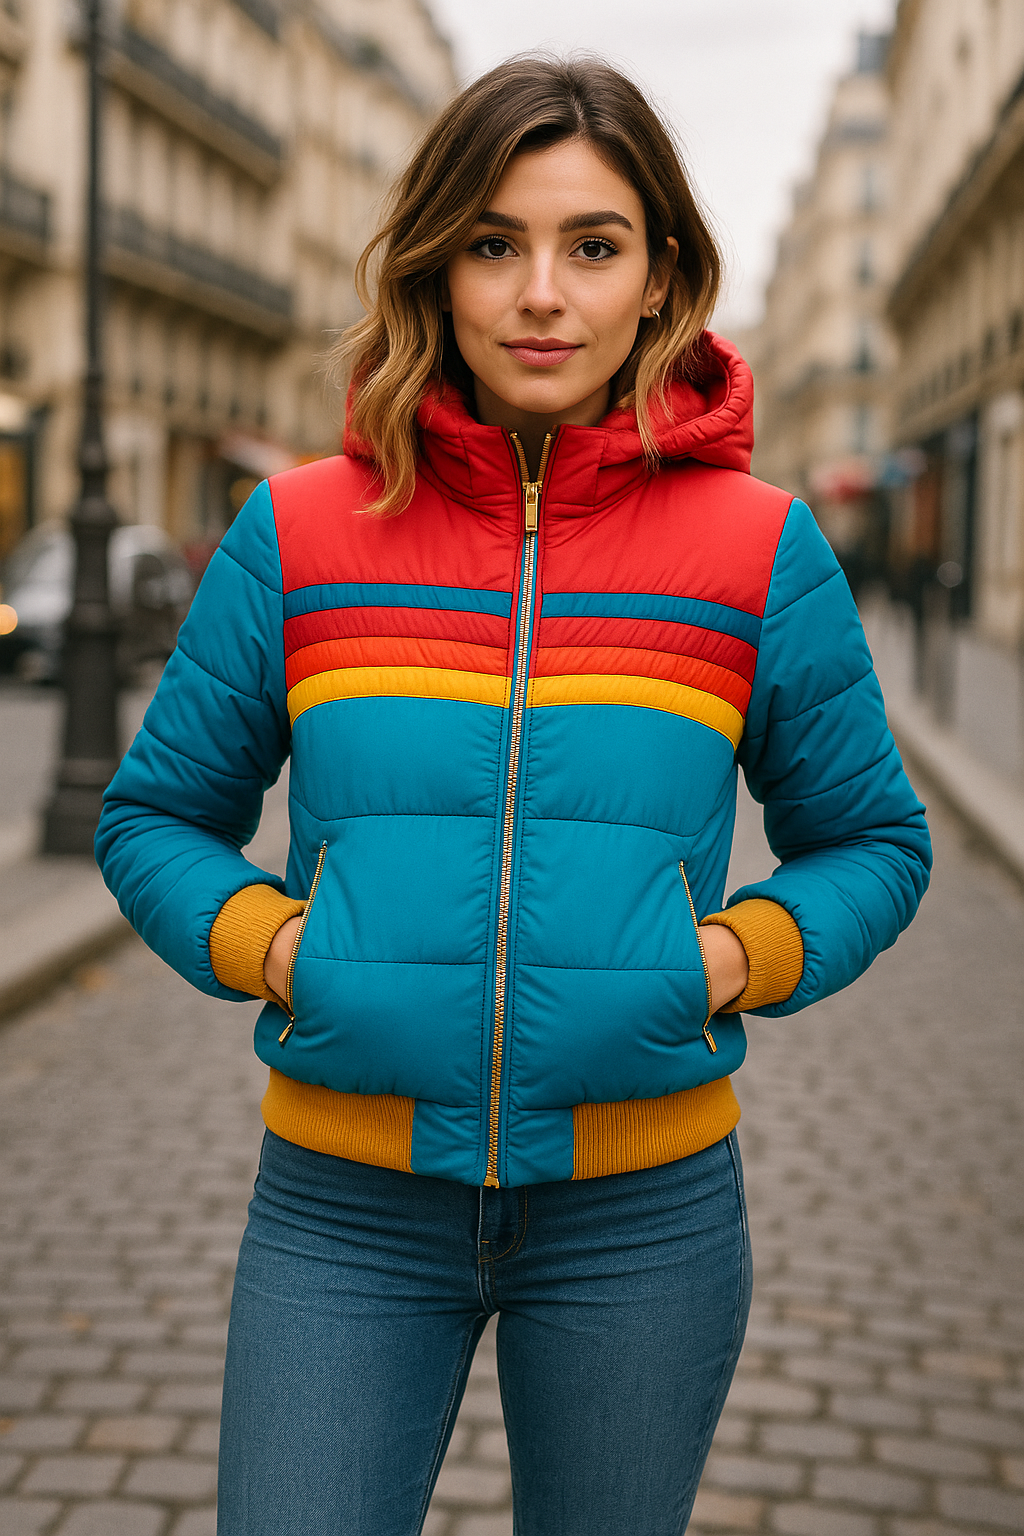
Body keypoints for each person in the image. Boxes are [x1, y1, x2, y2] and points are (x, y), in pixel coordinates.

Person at [96, 56, 931, 1536]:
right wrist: (278, 947)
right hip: (341, 1214)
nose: (542, 293)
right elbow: (154, 814)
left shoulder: (758, 547)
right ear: (438, 264)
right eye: (495, 243)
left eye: (591, 246)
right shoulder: (299, 529)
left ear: (659, 274)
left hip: (645, 1222)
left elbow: (871, 839)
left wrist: (727, 958)